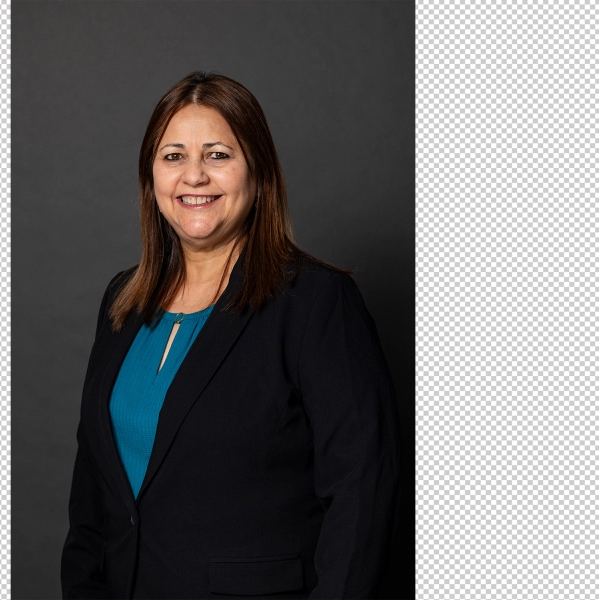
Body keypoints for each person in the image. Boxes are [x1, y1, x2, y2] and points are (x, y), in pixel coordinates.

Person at [61, 72, 400, 599]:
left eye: (218, 155)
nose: (193, 176)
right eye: (173, 157)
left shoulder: (314, 302)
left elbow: (364, 495)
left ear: (257, 171)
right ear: (151, 177)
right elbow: (93, 492)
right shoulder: (121, 301)